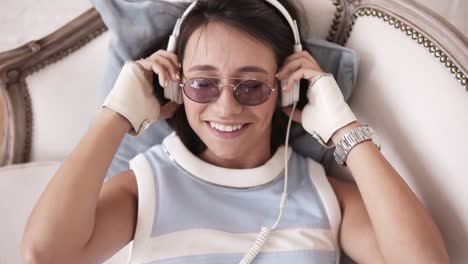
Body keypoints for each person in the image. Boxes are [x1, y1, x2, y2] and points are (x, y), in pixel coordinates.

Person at [21, 0, 448, 263]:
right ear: (175, 86)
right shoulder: (145, 186)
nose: (226, 107)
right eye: (203, 84)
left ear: (286, 89)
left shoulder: (323, 193)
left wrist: (343, 130)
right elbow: (45, 255)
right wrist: (116, 114)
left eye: (252, 85)